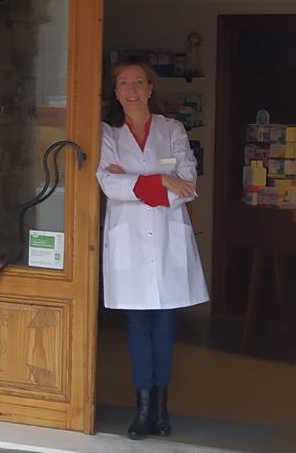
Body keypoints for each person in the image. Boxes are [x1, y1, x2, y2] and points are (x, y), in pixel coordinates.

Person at [97, 56, 209, 440]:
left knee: (164, 325)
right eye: (124, 83)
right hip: (128, 240)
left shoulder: (172, 128)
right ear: (116, 92)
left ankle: (162, 410)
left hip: (165, 238)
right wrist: (162, 179)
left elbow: (189, 184)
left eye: (139, 82)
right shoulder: (107, 134)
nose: (132, 89)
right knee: (136, 324)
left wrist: (136, 183)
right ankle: (143, 410)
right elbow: (109, 185)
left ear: (150, 88)